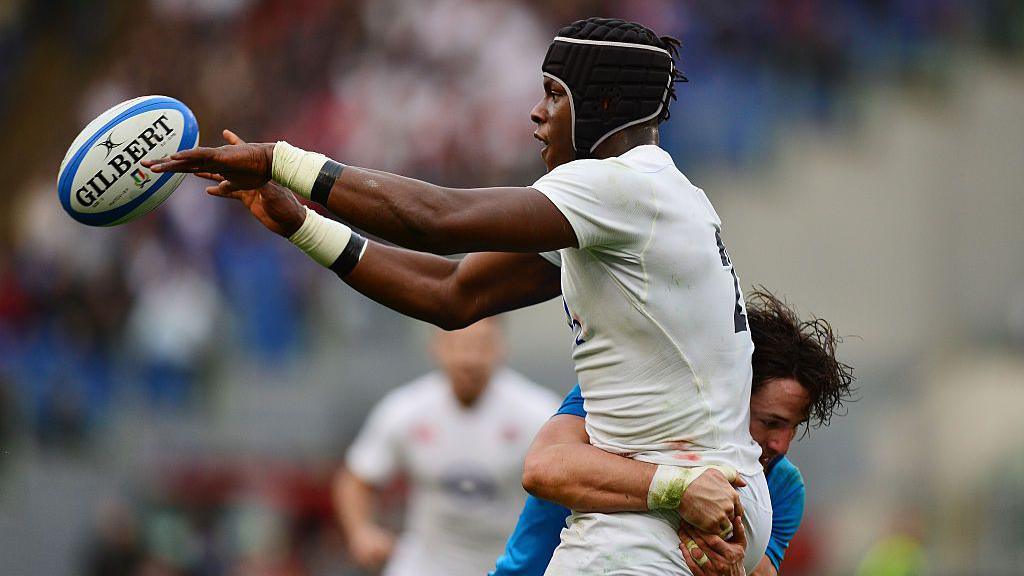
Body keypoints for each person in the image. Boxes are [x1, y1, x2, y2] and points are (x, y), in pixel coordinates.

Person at [148, 17, 770, 573]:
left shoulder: (619, 188)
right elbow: (451, 293)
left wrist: (279, 160)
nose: (536, 113)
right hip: (686, 497)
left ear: (603, 104)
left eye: (555, 94)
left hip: (667, 507)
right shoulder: (642, 203)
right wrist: (302, 225)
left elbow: (436, 219)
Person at [492, 289, 855, 576]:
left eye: (794, 426)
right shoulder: (627, 398)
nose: (781, 443)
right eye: (770, 422)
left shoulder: (782, 489)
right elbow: (543, 467)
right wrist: (678, 489)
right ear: (728, 396)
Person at [335, 319, 558, 576]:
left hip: (513, 560)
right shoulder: (406, 409)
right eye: (458, 345)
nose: (468, 358)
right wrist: (361, 531)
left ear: (501, 347)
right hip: (427, 562)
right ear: (435, 347)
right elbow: (356, 478)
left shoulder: (538, 413)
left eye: (481, 345)